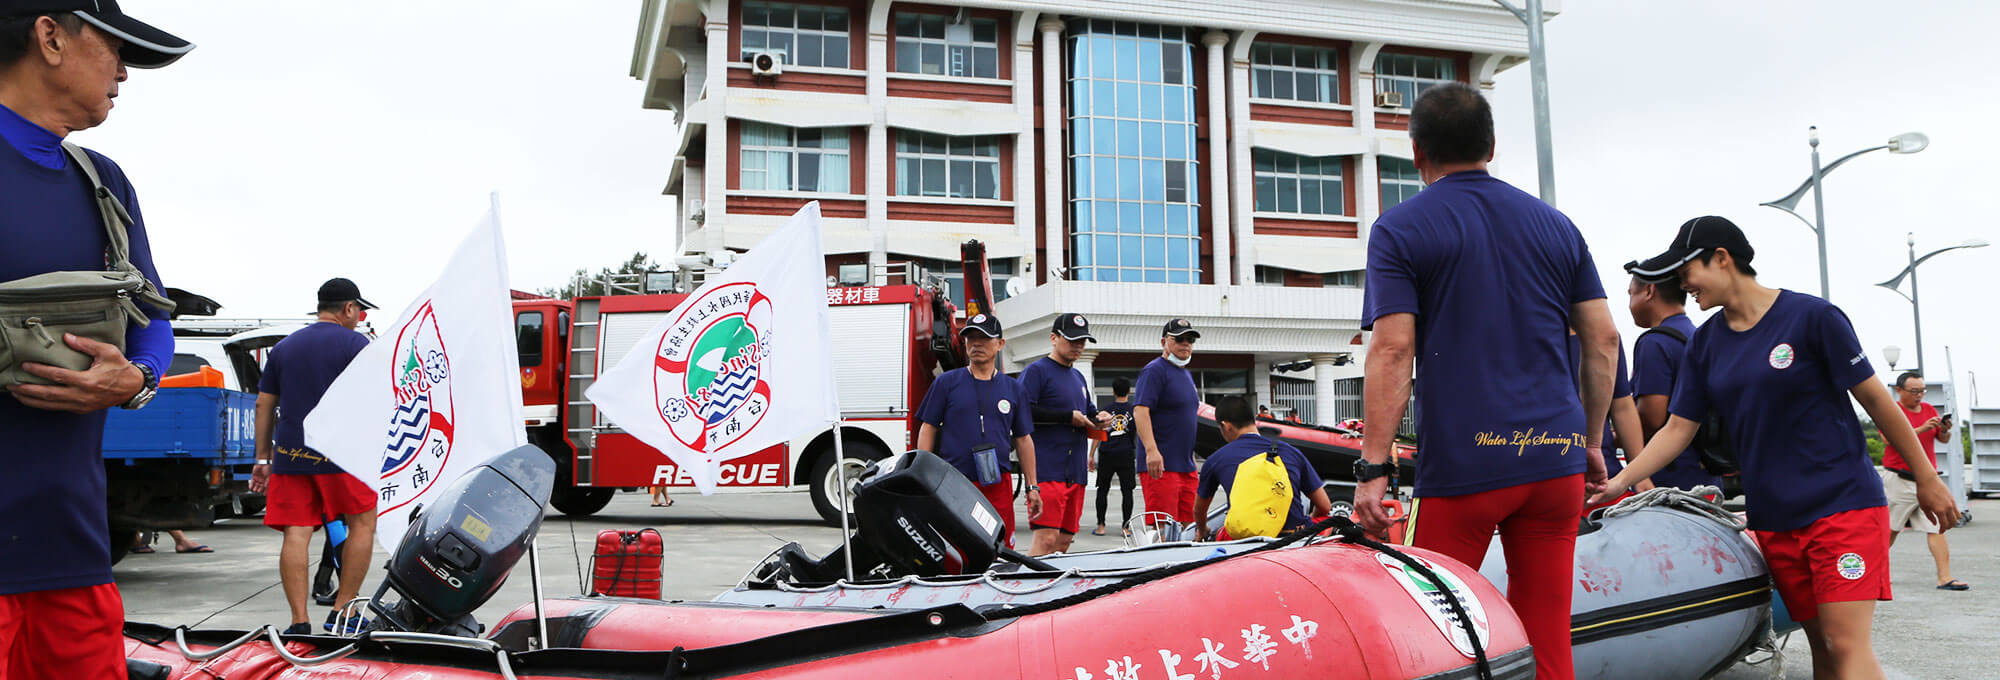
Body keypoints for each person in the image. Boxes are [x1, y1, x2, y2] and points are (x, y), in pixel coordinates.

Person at [1599, 215, 1958, 678]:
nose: (1683, 283)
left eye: (1688, 270)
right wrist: (1622, 482)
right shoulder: (1705, 343)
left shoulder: (1812, 317)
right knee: (1823, 652)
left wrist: (1927, 478)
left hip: (1841, 506)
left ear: (1722, 259)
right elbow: (1675, 429)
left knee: (1844, 643)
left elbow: (1874, 399)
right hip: (1775, 520)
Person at [1353, 82, 1618, 680]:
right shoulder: (1557, 226)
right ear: (1491, 146)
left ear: (1416, 152)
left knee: (1436, 632)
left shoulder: (1400, 229)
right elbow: (1603, 340)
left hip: (1466, 467)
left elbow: (1393, 349)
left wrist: (1373, 469)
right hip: (1554, 458)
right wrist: (1593, 440)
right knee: (1548, 632)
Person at [0, 3, 192, 677]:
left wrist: (138, 379)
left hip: (70, 546)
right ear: (50, 36)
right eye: (115, 48)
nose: (124, 74)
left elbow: (153, 318)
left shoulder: (102, 182)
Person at [250, 278, 379, 635]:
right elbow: (375, 401)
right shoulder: (358, 345)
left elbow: (264, 403)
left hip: (291, 453)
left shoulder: (284, 348)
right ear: (349, 308)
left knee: (297, 532)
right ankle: (344, 612)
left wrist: (262, 459)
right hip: (343, 456)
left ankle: (298, 621)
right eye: (359, 310)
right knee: (362, 523)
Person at [914, 313, 1040, 545]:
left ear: (1000, 344)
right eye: (971, 338)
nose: (977, 344)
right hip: (953, 481)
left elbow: (1024, 439)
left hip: (997, 483)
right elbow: (928, 427)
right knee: (956, 546)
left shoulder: (1014, 389)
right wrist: (925, 474)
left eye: (984, 338)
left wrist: (1032, 486)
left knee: (998, 548)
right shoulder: (947, 382)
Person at [1623, 264, 1721, 492]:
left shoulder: (1654, 342)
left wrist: (1613, 439)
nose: (1629, 304)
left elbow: (1651, 419)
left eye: (1631, 294)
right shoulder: (1698, 337)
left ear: (1649, 291)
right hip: (1706, 476)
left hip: (1667, 481)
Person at [1019, 313, 1110, 556]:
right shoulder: (1036, 371)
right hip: (1047, 468)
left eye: (1082, 341)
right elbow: (1023, 411)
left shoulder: (1078, 376)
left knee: (1064, 541)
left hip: (1075, 472)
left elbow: (1088, 412)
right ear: (1053, 338)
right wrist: (1066, 417)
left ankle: (1052, 591)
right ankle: (1029, 589)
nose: (1078, 345)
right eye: (1072, 340)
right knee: (1046, 538)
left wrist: (1099, 419)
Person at [1193, 397, 1332, 541]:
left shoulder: (1215, 459)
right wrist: (1306, 525)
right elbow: (1324, 506)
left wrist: (1202, 530)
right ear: (1253, 420)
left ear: (1226, 425)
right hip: (1294, 535)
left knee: (1225, 532)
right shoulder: (1290, 451)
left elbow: (1199, 510)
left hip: (1248, 538)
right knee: (1327, 521)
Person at [1880, 371, 1965, 591]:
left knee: (1937, 528)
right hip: (1899, 479)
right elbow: (1888, 439)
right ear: (1899, 390)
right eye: (1914, 391)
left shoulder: (1928, 409)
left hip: (1926, 481)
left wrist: (1945, 430)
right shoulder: (1891, 411)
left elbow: (1942, 439)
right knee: (1889, 530)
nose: (1919, 396)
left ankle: (1945, 577)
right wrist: (1921, 428)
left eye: (1922, 391)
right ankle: (1877, 576)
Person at [1134, 318, 1202, 527]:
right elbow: (1140, 411)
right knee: (1162, 528)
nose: (1185, 344)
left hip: (1186, 465)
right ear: (1164, 342)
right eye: (1179, 339)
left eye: (1190, 339)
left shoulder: (1185, 374)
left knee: (1188, 527)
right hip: (1162, 466)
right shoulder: (1154, 370)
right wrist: (1151, 451)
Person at [1092, 378, 1137, 537]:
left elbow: (1098, 434)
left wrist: (1091, 456)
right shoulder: (1134, 411)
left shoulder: (1105, 410)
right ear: (1129, 391)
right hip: (1126, 454)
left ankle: (1101, 526)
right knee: (1128, 492)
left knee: (1102, 490)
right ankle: (1125, 528)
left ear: (1113, 391)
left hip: (1107, 454)